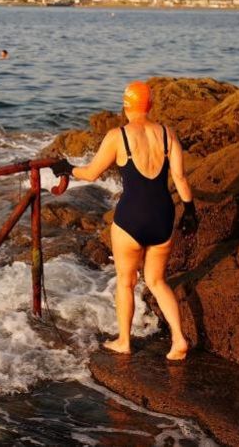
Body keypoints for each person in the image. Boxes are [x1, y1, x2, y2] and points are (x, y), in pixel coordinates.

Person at [51, 80, 198, 361]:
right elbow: (179, 178)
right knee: (156, 281)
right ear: (150, 105)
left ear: (125, 105)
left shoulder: (118, 136)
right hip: (164, 216)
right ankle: (179, 340)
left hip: (131, 219)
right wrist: (190, 211)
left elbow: (91, 173)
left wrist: (68, 168)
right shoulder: (167, 133)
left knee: (126, 282)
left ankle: (124, 341)